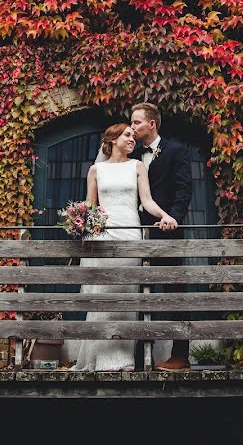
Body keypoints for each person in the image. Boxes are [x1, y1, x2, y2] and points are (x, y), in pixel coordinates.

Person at [68, 123, 177, 372]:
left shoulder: (136, 167)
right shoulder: (96, 170)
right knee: (103, 297)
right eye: (127, 135)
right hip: (103, 236)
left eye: (133, 135)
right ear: (113, 139)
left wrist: (166, 215)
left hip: (130, 233)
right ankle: (99, 358)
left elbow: (147, 201)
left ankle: (123, 359)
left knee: (126, 298)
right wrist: (79, 220)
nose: (132, 139)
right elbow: (90, 205)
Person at [129, 102, 193, 371]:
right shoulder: (129, 154)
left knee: (174, 292)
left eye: (136, 123)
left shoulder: (176, 150)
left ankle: (180, 355)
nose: (131, 128)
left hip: (166, 232)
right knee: (136, 293)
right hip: (132, 230)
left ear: (151, 124)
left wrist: (173, 219)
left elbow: (183, 188)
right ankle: (137, 356)